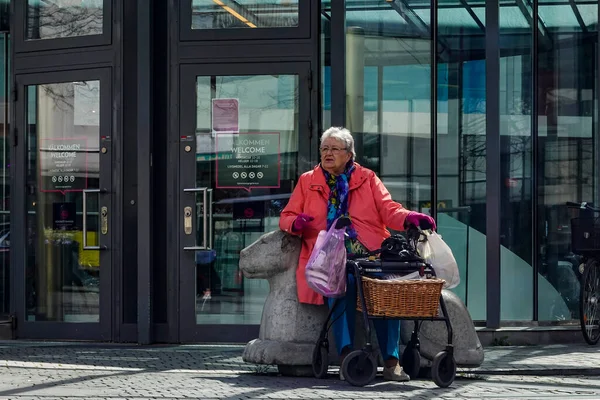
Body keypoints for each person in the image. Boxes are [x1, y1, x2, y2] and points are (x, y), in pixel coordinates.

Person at [279, 127, 436, 381]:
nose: (328, 154)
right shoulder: (308, 181)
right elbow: (286, 216)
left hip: (370, 253)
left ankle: (391, 361)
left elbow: (389, 210)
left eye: (334, 149)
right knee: (341, 286)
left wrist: (409, 217)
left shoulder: (367, 178)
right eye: (324, 149)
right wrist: (296, 223)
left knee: (386, 288)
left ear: (349, 154)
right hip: (330, 257)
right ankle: (346, 357)